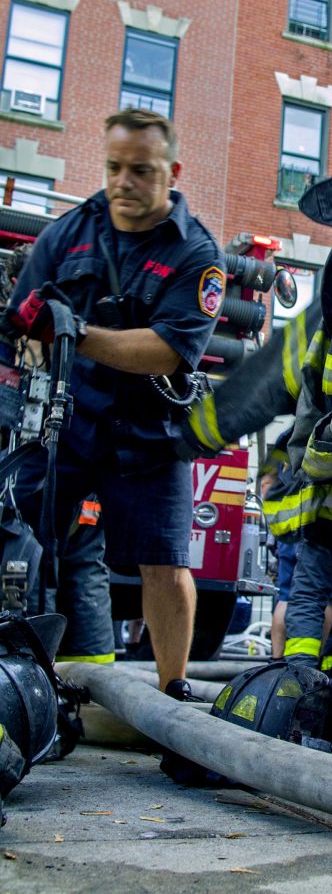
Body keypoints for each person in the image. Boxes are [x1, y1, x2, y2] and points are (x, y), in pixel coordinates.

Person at [5, 108, 225, 695]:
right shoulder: (68, 232)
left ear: (172, 171)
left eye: (141, 170)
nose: (123, 181)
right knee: (19, 540)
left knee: (165, 563)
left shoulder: (197, 255)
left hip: (152, 433)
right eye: (114, 167)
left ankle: (172, 696)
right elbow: (21, 320)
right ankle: (19, 684)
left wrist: (72, 331)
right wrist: (30, 335)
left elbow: (167, 351)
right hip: (67, 424)